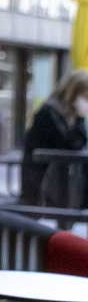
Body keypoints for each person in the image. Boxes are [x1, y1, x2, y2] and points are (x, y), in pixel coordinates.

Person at [21, 68, 88, 206]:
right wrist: (80, 119)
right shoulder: (49, 113)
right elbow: (70, 146)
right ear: (73, 93)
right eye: (86, 97)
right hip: (43, 183)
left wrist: (79, 119)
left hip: (60, 182)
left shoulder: (71, 115)